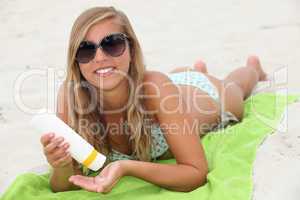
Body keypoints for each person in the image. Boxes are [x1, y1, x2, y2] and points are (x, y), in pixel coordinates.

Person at [39, 6, 267, 194]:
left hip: (202, 94)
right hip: (172, 90)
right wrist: (61, 166)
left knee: (235, 89)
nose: (99, 57)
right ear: (76, 60)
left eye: (112, 44)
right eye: (86, 50)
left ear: (131, 49)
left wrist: (128, 168)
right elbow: (64, 185)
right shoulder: (71, 99)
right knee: (178, 79)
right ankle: (194, 69)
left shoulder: (156, 88)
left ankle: (252, 68)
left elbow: (195, 173)